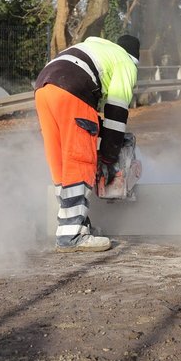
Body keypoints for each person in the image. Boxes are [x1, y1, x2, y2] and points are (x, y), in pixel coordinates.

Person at [34, 34, 139, 252]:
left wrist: (98, 130)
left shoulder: (95, 48)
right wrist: (110, 156)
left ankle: (76, 225)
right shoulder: (126, 62)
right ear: (135, 58)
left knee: (61, 164)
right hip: (73, 89)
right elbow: (117, 112)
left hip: (44, 87)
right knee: (80, 160)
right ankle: (70, 236)